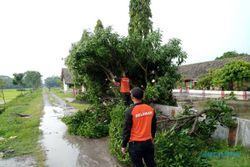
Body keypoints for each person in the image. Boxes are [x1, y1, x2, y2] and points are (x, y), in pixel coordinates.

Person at [121, 87, 157, 167]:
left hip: (135, 146)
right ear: (143, 96)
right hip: (148, 143)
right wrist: (152, 138)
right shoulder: (151, 109)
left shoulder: (130, 111)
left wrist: (123, 145)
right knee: (151, 164)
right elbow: (153, 126)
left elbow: (127, 130)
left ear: (132, 97)